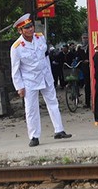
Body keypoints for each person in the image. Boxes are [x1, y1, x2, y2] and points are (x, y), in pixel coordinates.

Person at [9, 14, 72, 147]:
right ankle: (34, 136)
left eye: (31, 26)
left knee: (53, 103)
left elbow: (45, 57)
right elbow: (15, 70)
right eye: (26, 28)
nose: (30, 29)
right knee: (31, 109)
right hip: (29, 81)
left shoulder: (40, 37)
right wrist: (19, 87)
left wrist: (50, 74)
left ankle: (59, 130)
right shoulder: (17, 47)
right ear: (20, 31)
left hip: (45, 76)